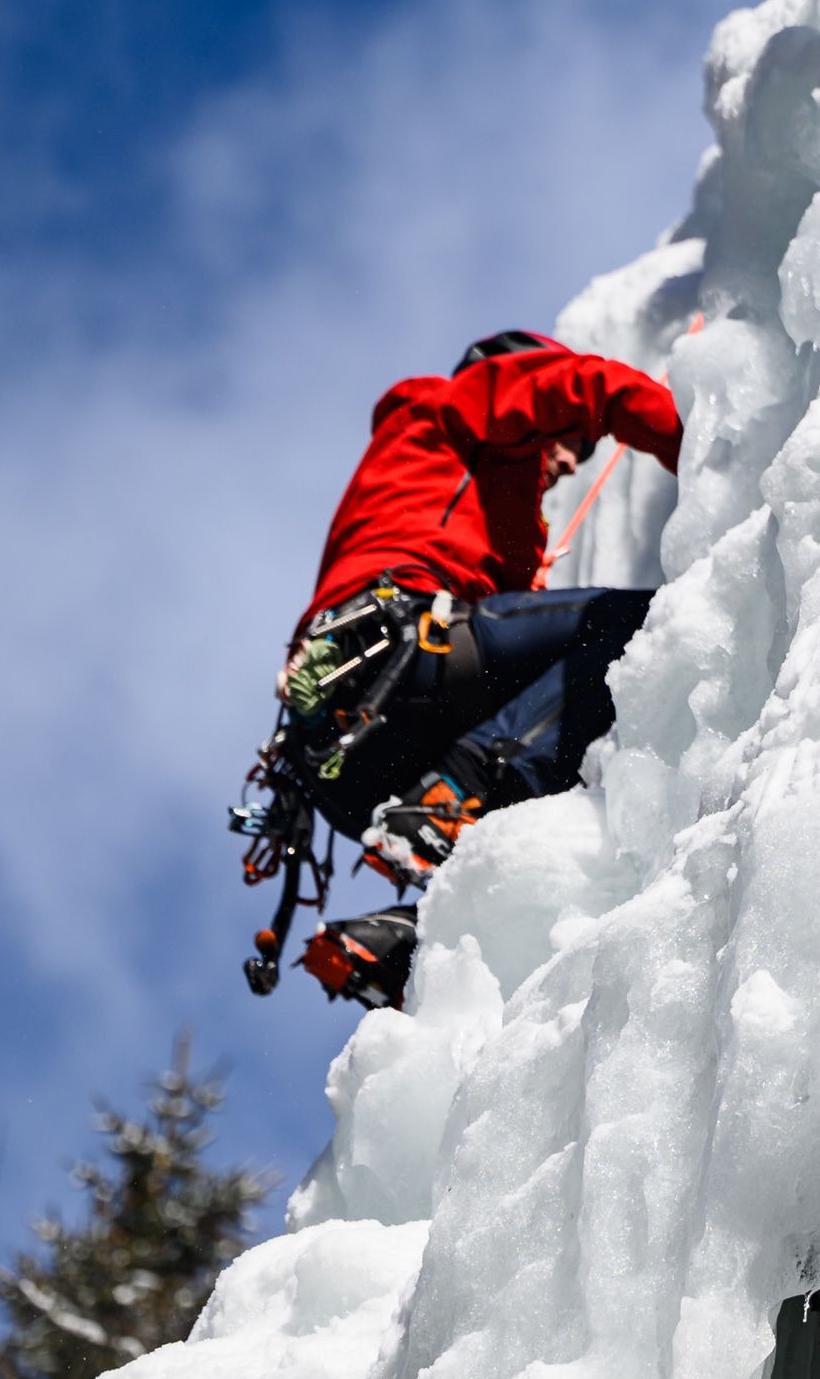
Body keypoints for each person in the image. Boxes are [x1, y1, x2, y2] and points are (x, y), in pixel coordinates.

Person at [273, 330, 685, 1006]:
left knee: (561, 777)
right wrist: (701, 448)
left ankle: (407, 938)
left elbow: (505, 571)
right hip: (400, 657)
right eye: (568, 445)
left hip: (341, 761)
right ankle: (457, 792)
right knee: (648, 626)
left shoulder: (441, 479)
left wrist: (524, 567)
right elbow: (585, 386)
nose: (568, 462)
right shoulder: (452, 404)